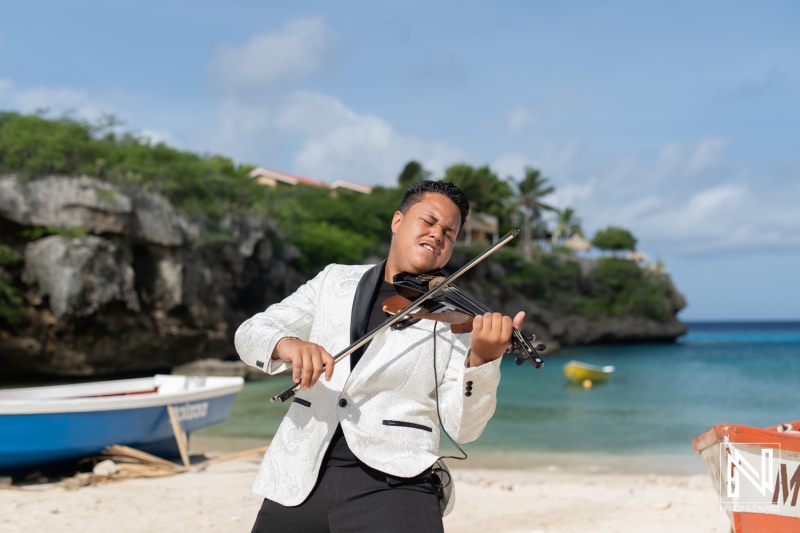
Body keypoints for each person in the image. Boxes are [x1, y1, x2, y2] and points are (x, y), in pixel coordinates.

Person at [235, 180, 525, 532]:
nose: (438, 235)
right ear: (397, 221)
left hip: (394, 485)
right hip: (299, 473)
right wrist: (287, 344)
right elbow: (250, 332)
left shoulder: (456, 318)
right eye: (429, 222)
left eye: (450, 233)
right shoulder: (333, 281)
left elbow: (463, 429)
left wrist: (481, 360)